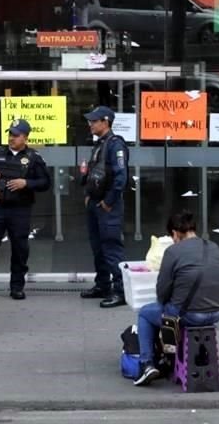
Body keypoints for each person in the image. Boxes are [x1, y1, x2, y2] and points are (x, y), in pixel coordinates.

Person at [134, 211, 219, 387]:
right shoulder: (214, 247)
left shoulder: (173, 252)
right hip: (216, 313)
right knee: (171, 308)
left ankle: (147, 364)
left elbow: (161, 293)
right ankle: (182, 354)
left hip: (188, 315)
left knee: (146, 313)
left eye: (172, 236)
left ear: (175, 233)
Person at [0, 119, 52, 302]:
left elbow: (45, 182)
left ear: (25, 137)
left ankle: (17, 287)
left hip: (20, 209)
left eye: (16, 135)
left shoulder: (34, 157)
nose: (11, 138)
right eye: (10, 134)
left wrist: (26, 183)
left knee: (20, 249)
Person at [79, 106, 130, 309]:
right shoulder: (100, 144)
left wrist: (108, 202)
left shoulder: (116, 145)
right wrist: (89, 197)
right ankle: (102, 285)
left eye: (94, 121)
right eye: (90, 120)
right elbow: (96, 174)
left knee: (111, 248)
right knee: (98, 247)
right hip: (96, 203)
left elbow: (121, 177)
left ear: (106, 121)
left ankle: (120, 291)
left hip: (108, 206)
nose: (90, 124)